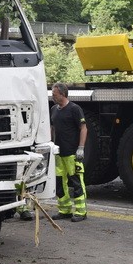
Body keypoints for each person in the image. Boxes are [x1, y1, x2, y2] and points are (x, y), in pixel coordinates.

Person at [49, 82, 88, 222]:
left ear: (63, 94)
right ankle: (64, 210)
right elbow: (52, 128)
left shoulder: (74, 109)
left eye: (54, 94)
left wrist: (81, 148)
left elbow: (83, 128)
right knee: (60, 182)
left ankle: (81, 211)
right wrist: (51, 145)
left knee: (76, 181)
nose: (52, 97)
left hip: (72, 153)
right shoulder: (54, 109)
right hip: (59, 153)